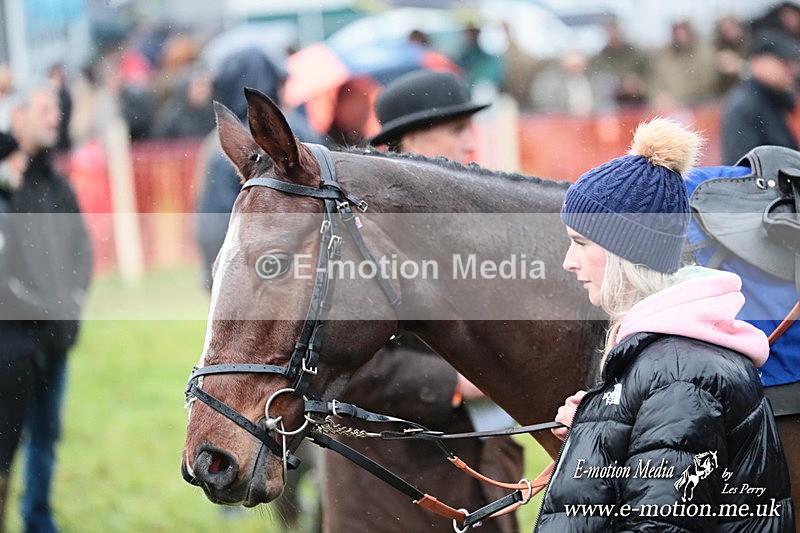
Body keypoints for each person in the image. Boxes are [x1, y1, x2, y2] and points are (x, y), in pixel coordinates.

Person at [535, 117, 794, 530]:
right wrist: (594, 431)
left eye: (581, 242)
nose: (569, 261)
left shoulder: (677, 377)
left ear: (628, 251)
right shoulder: (669, 359)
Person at [322, 69, 525, 533]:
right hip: (390, 488)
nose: (471, 144)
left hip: (486, 472)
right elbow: (338, 365)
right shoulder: (356, 237)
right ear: (411, 139)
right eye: (457, 130)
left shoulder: (473, 226)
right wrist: (454, 382)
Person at [0, 84, 93, 532]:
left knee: (46, 438)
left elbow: (82, 254)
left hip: (55, 340)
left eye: (57, 108)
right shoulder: (6, 186)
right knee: (5, 444)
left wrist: (70, 306)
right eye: (42, 109)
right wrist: (40, 307)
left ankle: (38, 519)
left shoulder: (58, 187)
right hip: (11, 345)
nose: (54, 116)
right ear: (16, 118)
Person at [721, 29, 800, 165]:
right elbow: (741, 169)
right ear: (758, 63)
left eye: (794, 62)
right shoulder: (744, 106)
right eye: (784, 62)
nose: (793, 70)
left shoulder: (782, 99)